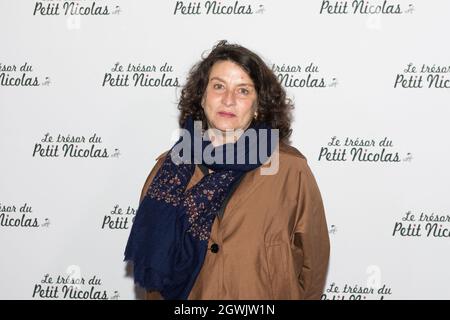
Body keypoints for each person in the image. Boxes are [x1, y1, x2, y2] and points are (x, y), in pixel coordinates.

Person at [124, 40, 330, 300]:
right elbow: (154, 268)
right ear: (202, 96)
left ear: (258, 106)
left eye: (243, 90)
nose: (228, 100)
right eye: (218, 86)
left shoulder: (290, 170)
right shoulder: (166, 169)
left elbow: (313, 264)